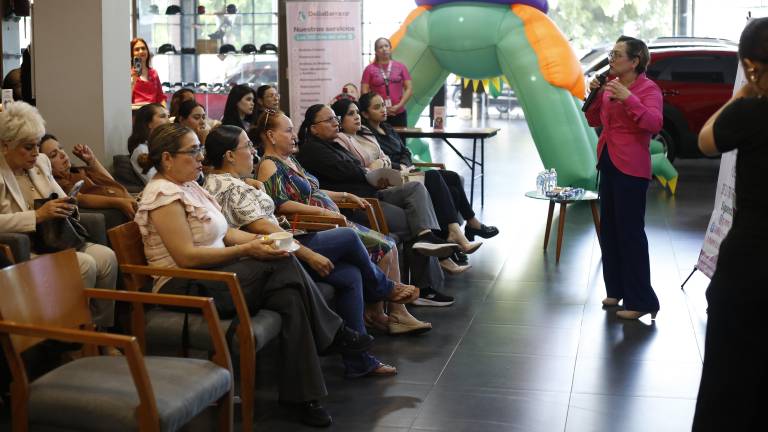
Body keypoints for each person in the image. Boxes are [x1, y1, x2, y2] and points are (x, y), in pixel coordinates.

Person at [135, 122, 373, 427]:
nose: (200, 157)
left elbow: (228, 233)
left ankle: (302, 397)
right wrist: (249, 251)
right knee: (283, 263)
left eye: (200, 149)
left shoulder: (190, 185)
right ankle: (335, 334)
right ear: (167, 158)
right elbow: (186, 257)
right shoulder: (162, 194)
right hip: (184, 285)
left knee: (289, 293)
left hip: (215, 272)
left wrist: (263, 241)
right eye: (193, 151)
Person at [203, 125, 421, 376]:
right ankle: (384, 288)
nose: (254, 151)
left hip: (286, 242)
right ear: (229, 155)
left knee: (350, 274)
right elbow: (267, 231)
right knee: (349, 237)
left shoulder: (235, 182)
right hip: (276, 254)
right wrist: (307, 253)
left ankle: (359, 362)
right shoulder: (230, 188)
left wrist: (254, 185)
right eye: (247, 147)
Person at [268, 105, 457, 307]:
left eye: (337, 117)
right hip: (347, 210)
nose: (336, 122)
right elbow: (348, 172)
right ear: (313, 128)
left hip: (361, 197)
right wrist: (331, 204)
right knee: (412, 223)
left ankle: (437, 240)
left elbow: (339, 178)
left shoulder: (324, 149)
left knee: (421, 191)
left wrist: (353, 186)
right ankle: (416, 290)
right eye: (330, 119)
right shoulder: (309, 152)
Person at [692, 17, 768, 431]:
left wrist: (741, 95)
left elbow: (706, 140)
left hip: (751, 263)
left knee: (729, 378)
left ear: (751, 66)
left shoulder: (753, 111)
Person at [0, 102, 117, 330]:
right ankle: (69, 339)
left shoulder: (40, 163)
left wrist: (68, 204)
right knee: (85, 265)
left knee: (106, 257)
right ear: (6, 145)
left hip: (55, 239)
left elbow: (61, 196)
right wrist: (37, 216)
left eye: (36, 145)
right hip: (28, 247)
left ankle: (98, 333)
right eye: (28, 147)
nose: (36, 152)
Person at [584, 35, 662, 320]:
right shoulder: (609, 86)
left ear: (635, 60)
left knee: (630, 233)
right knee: (610, 230)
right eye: (611, 55)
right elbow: (594, 120)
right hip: (608, 159)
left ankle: (641, 300)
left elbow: (653, 124)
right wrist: (594, 94)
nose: (611, 60)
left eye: (617, 55)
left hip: (632, 166)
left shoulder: (648, 89)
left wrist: (629, 99)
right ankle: (616, 289)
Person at [353, 93, 498, 245]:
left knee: (453, 179)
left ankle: (457, 236)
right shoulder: (367, 136)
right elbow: (379, 160)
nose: (383, 109)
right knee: (435, 176)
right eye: (377, 107)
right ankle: (459, 234)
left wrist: (404, 163)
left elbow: (405, 151)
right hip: (396, 177)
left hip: (408, 171)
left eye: (383, 105)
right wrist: (399, 167)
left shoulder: (387, 128)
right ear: (365, 114)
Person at [40, 134, 137, 228]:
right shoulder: (59, 182)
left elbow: (112, 183)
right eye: (54, 155)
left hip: (130, 202)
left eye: (61, 148)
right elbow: (80, 199)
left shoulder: (80, 170)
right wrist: (119, 202)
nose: (62, 154)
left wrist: (92, 160)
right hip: (119, 216)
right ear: (44, 164)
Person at [361, 37, 412, 127]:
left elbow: (409, 88)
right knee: (380, 140)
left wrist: (399, 106)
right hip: (377, 115)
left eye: (386, 46)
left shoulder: (401, 67)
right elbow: (364, 92)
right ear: (376, 51)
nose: (384, 49)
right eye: (380, 47)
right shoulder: (369, 69)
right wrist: (376, 108)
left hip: (398, 113)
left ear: (390, 48)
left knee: (400, 140)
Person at [128, 103, 169, 184]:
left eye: (168, 116)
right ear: (149, 123)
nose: (168, 121)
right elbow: (155, 181)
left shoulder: (162, 146)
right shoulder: (141, 150)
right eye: (163, 116)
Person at [130, 38, 165, 105]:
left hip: (153, 112)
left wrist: (166, 114)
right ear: (132, 53)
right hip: (136, 112)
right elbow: (124, 98)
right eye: (137, 49)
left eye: (143, 48)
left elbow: (160, 97)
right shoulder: (128, 73)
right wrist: (133, 80)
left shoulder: (153, 73)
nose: (141, 51)